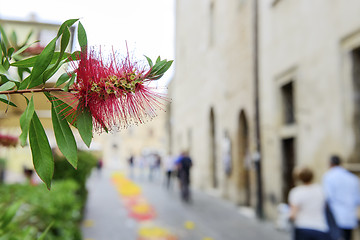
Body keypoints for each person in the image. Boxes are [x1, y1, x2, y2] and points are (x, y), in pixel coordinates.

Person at [323, 155, 360, 240]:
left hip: (335, 217)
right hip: (350, 217)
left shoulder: (329, 176)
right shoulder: (353, 178)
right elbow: (357, 199)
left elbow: (327, 197)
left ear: (330, 164)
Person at [288, 167, 329, 240]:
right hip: (320, 228)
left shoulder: (296, 192)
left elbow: (293, 215)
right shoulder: (321, 190)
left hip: (302, 227)